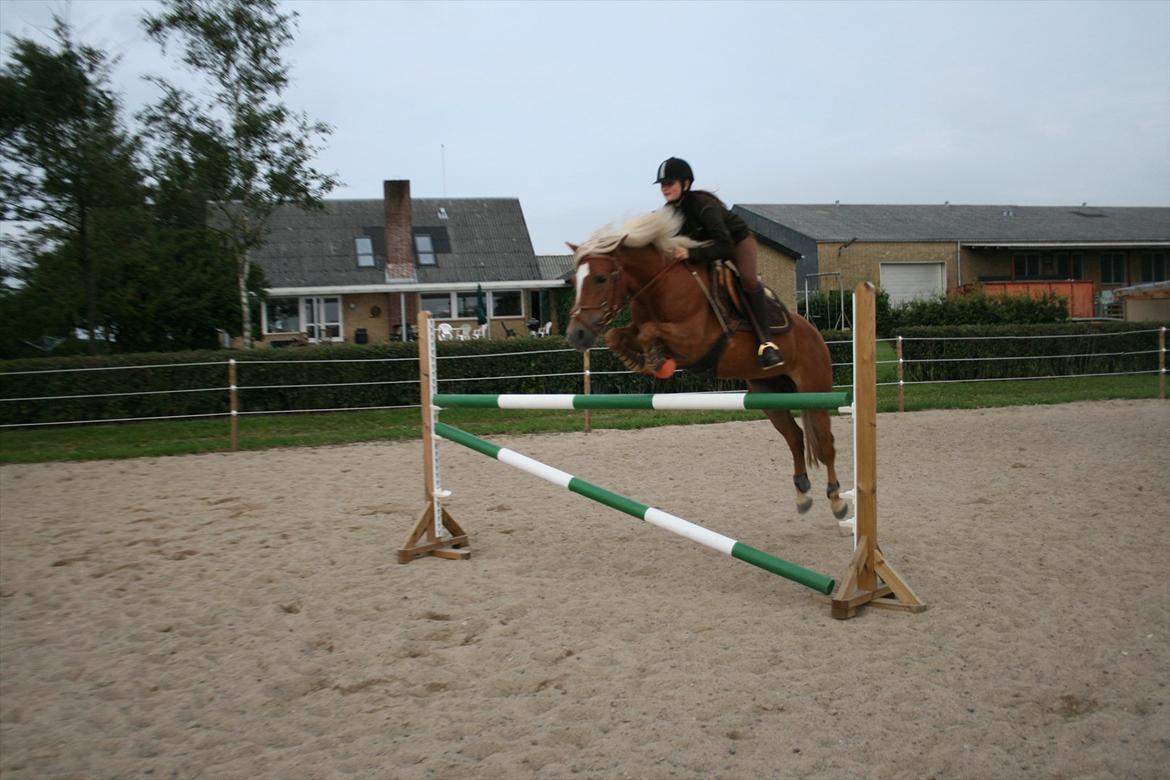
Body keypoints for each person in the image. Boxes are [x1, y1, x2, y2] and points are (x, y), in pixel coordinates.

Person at [655, 157, 784, 368]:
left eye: (669, 183)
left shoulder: (703, 206)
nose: (664, 188)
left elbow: (725, 246)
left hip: (736, 241)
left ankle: (767, 343)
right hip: (704, 248)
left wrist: (690, 254)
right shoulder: (669, 211)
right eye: (662, 185)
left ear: (685, 184)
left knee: (748, 279)